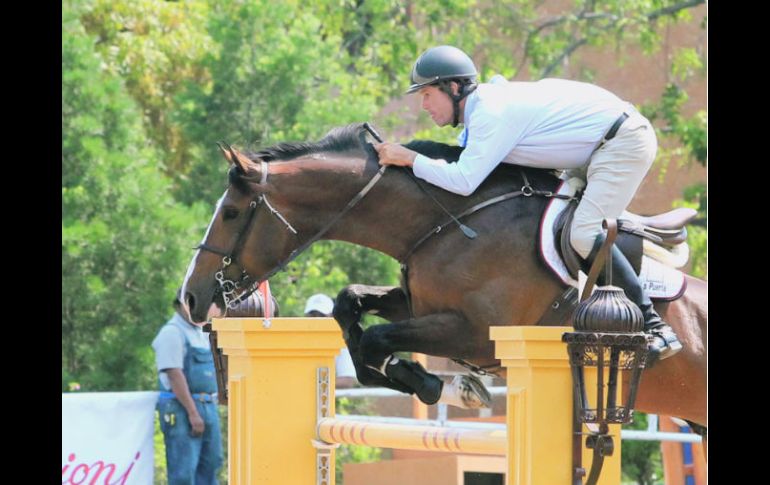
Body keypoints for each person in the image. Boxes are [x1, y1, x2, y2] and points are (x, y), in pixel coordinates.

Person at [374, 45, 681, 362]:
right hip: (593, 147)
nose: (423, 105)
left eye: (426, 94)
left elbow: (464, 181)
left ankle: (656, 327)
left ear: (453, 88)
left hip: (622, 142)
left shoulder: (490, 112)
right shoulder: (481, 114)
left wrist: (409, 158)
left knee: (583, 233)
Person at [153, 289, 223, 485]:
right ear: (184, 304)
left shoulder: (201, 332)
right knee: (184, 472)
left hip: (208, 405)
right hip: (183, 408)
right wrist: (193, 413)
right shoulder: (172, 333)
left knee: (212, 466)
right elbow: (174, 375)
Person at [304, 293, 358, 388]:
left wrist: (310, 384)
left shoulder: (340, 343)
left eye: (321, 315)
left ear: (331, 316)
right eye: (313, 315)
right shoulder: (297, 341)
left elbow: (347, 380)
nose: (317, 319)